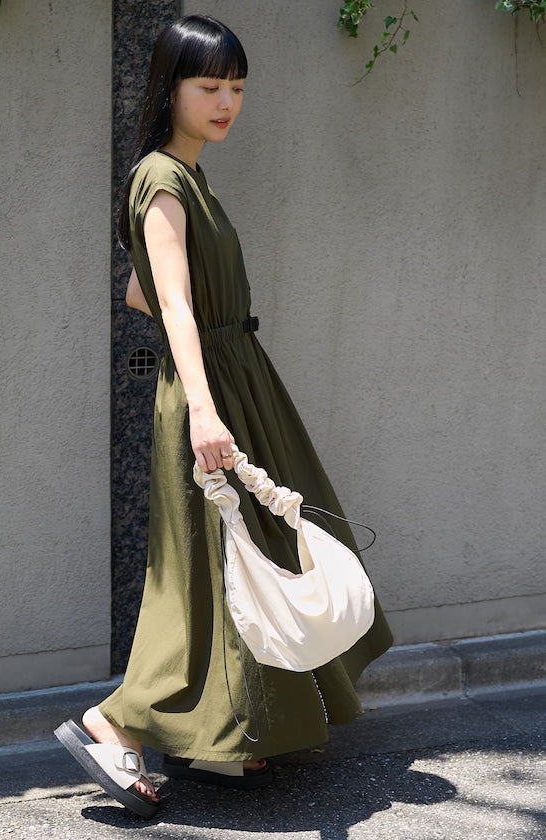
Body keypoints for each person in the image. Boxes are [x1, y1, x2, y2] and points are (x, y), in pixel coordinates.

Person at [55, 14, 393, 819]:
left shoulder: (190, 179)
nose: (226, 102)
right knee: (205, 568)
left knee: (243, 558)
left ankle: (226, 736)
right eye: (210, 85)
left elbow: (139, 289)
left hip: (237, 378)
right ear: (169, 88)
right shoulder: (162, 179)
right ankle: (113, 724)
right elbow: (171, 303)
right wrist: (204, 409)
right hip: (213, 391)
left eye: (237, 87)